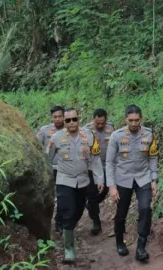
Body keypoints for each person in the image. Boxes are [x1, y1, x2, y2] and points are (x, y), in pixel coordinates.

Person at [47, 108, 104, 263]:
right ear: (64, 122)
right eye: (68, 120)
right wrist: (48, 179)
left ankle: (69, 227)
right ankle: (69, 249)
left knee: (78, 211)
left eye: (74, 119)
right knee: (68, 211)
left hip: (83, 180)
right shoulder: (56, 138)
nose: (71, 123)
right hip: (64, 180)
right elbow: (48, 158)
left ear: (79, 119)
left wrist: (99, 179)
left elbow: (96, 159)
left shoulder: (89, 136)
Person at [106, 104, 159, 263]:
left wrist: (154, 179)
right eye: (131, 120)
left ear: (140, 119)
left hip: (143, 177)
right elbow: (109, 163)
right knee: (121, 212)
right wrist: (112, 186)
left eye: (137, 120)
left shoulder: (149, 134)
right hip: (123, 178)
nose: (134, 123)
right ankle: (120, 242)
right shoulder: (116, 136)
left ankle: (141, 247)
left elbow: (153, 157)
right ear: (126, 119)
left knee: (145, 208)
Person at [82, 108, 114, 236]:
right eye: (97, 123)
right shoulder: (85, 130)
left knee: (105, 190)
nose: (100, 125)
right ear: (93, 119)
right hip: (91, 168)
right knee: (92, 194)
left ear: (106, 120)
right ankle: (96, 222)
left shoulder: (111, 128)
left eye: (102, 123)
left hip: (106, 166)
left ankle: (91, 205)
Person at [36, 105, 64, 234]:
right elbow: (36, 146)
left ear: (64, 117)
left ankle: (59, 222)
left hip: (65, 169)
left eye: (60, 116)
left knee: (62, 196)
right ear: (51, 117)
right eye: (55, 117)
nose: (58, 119)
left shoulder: (69, 130)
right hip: (48, 169)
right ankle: (45, 223)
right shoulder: (44, 131)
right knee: (49, 196)